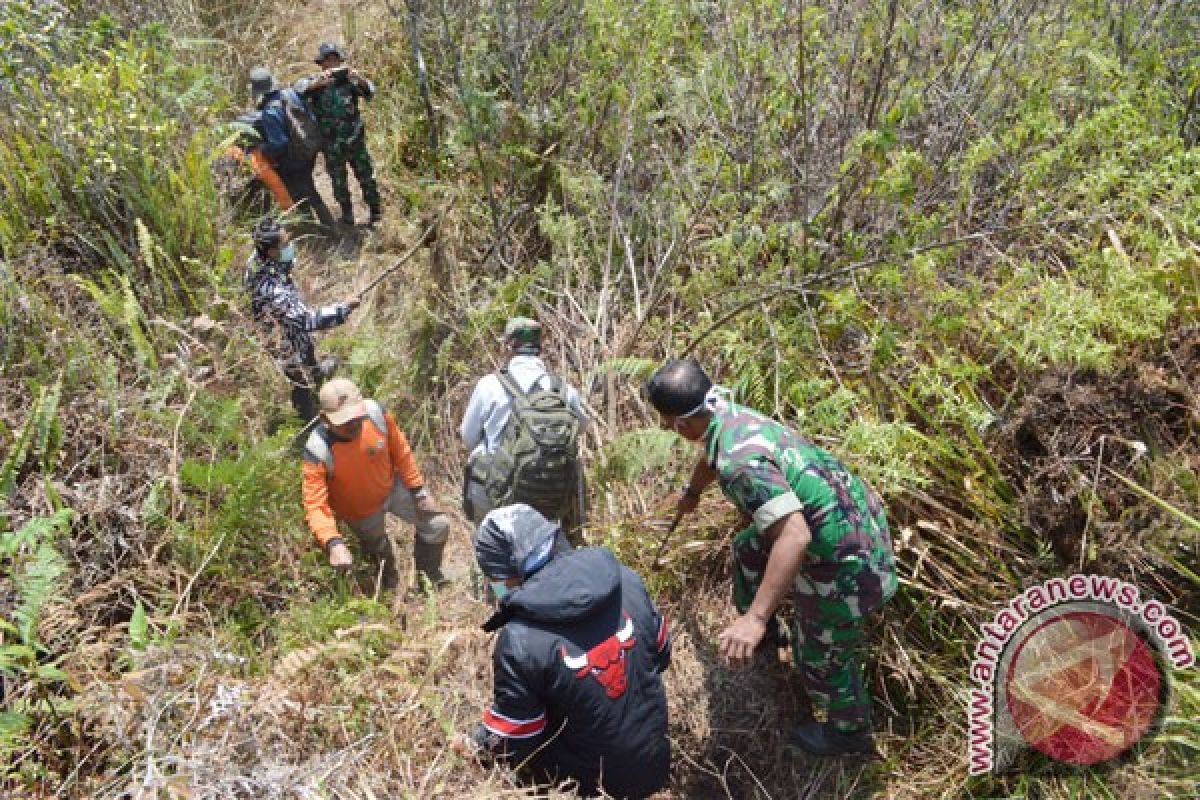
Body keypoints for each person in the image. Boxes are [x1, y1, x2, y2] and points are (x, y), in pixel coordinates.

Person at [644, 359, 897, 757]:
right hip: (852, 519)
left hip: (849, 560)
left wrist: (755, 618)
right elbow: (713, 455)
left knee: (819, 654)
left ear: (679, 424)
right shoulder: (729, 415)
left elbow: (794, 535)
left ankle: (848, 733)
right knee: (748, 547)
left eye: (665, 422)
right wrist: (692, 491)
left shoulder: (739, 464)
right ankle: (766, 636)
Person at [453, 504, 671, 799]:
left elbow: (515, 739)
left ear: (508, 576)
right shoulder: (625, 579)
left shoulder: (520, 640)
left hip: (590, 788)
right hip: (656, 764)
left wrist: (473, 744)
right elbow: (661, 654)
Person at [302, 378, 451, 591]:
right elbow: (315, 505)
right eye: (344, 421)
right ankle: (390, 586)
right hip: (360, 511)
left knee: (437, 525)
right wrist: (333, 543)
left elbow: (400, 450)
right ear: (325, 419)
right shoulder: (318, 450)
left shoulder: (376, 414)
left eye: (356, 416)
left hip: (392, 487)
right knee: (380, 553)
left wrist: (418, 490)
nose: (353, 424)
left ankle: (429, 581)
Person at [459, 317, 587, 536]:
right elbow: (581, 426)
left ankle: (488, 564)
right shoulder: (563, 389)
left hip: (496, 492)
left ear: (509, 346)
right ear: (540, 347)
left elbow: (468, 438)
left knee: (493, 545)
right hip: (549, 492)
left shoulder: (489, 385)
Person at [244, 217, 358, 422]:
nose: (290, 246)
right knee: (297, 371)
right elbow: (306, 320)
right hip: (284, 337)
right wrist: (344, 309)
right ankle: (307, 415)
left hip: (280, 325)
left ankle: (316, 372)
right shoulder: (273, 291)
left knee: (306, 352)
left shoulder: (257, 261)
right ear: (271, 252)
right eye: (285, 244)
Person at [299, 43, 381, 226]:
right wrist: (317, 83)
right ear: (322, 64)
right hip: (331, 143)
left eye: (335, 59)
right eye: (328, 60)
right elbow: (298, 89)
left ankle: (375, 213)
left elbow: (370, 92)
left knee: (366, 176)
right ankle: (347, 215)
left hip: (355, 140)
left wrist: (358, 78)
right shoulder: (316, 83)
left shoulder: (348, 81)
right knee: (338, 181)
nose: (332, 64)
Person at [248, 66, 335, 229]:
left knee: (300, 196)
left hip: (293, 160)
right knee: (310, 190)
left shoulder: (269, 112)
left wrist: (262, 149)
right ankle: (329, 227)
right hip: (308, 149)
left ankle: (315, 232)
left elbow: (279, 143)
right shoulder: (291, 93)